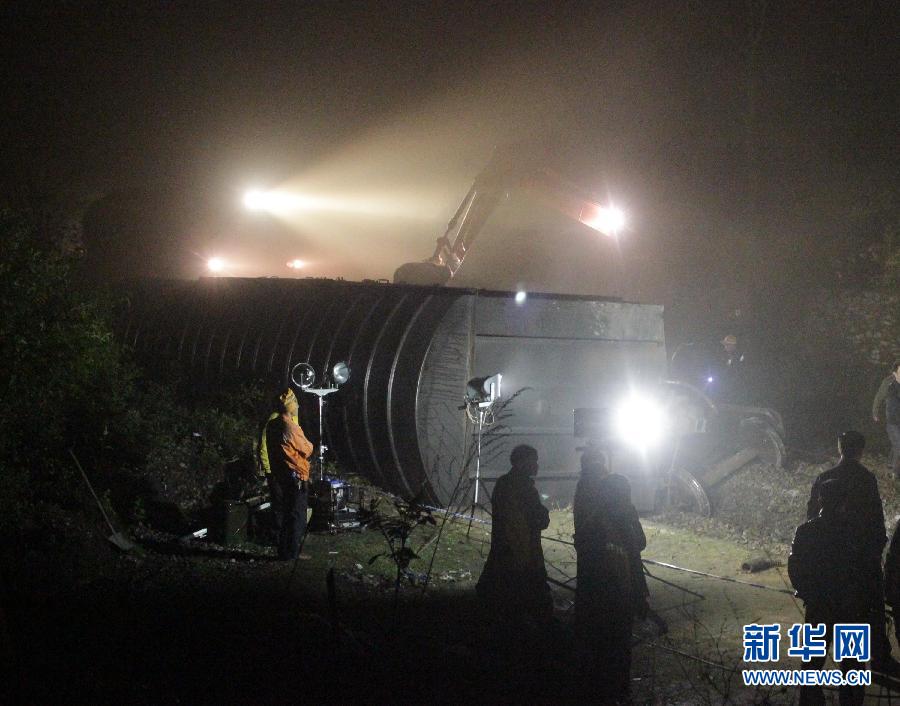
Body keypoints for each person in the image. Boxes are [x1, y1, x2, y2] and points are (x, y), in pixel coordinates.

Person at [806, 431, 895, 674]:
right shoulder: (865, 479)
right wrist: (875, 552)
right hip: (861, 562)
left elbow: (810, 518)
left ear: (839, 448)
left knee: (819, 633)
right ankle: (877, 659)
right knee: (870, 614)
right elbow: (876, 520)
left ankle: (811, 685)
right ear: (860, 450)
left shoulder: (824, 478)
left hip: (827, 571)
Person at [790, 479, 869, 705]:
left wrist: (807, 592)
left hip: (819, 606)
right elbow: (865, 570)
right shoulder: (855, 533)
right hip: (850, 609)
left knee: (812, 665)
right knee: (852, 668)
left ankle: (811, 701)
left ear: (820, 500)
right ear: (845, 502)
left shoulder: (806, 531)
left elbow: (795, 566)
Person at [574, 469, 648, 702]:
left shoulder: (595, 520)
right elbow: (639, 546)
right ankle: (616, 693)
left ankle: (602, 691)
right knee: (617, 648)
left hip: (600, 596)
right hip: (617, 595)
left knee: (601, 648)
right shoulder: (620, 518)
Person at [476, 444, 552, 625]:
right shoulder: (521, 488)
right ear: (522, 463)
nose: (537, 466)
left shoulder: (506, 484)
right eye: (534, 461)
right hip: (520, 552)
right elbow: (538, 518)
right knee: (526, 599)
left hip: (510, 550)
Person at [265, 389, 314, 561]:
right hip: (296, 477)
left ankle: (284, 551)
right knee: (297, 517)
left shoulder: (273, 425)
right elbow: (307, 449)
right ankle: (292, 554)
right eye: (296, 403)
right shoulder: (290, 427)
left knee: (286, 515)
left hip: (282, 475)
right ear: (290, 406)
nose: (298, 406)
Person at [258, 393, 300, 539]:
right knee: (279, 502)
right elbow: (264, 444)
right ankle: (276, 535)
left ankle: (286, 535)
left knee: (289, 503)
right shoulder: (275, 419)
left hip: (290, 468)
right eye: (294, 403)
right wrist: (267, 468)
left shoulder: (293, 418)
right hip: (276, 468)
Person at [872, 361, 900, 479]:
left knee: (896, 444)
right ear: (895, 372)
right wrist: (875, 412)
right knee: (898, 444)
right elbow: (879, 397)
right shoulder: (888, 382)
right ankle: (894, 471)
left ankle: (889, 464)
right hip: (892, 420)